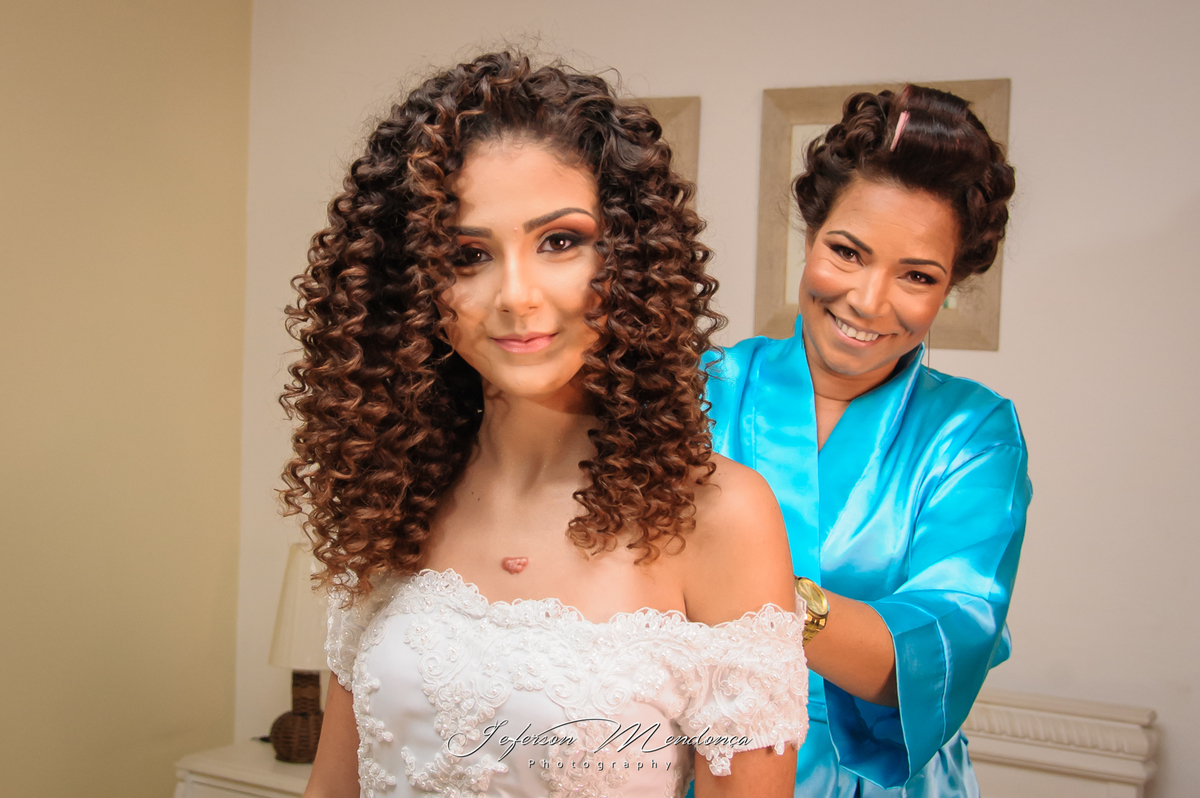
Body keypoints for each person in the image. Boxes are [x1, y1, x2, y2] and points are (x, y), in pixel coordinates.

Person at [280, 52, 808, 798]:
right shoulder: (391, 495)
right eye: (468, 255)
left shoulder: (718, 516)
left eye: (559, 241)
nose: (516, 296)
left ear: (629, 258)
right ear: (412, 286)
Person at [703, 85, 1031, 797]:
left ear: (951, 286)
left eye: (917, 276)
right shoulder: (700, 389)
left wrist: (753, 594)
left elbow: (938, 649)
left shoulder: (974, 435)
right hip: (703, 760)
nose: (868, 301)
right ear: (810, 236)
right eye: (847, 252)